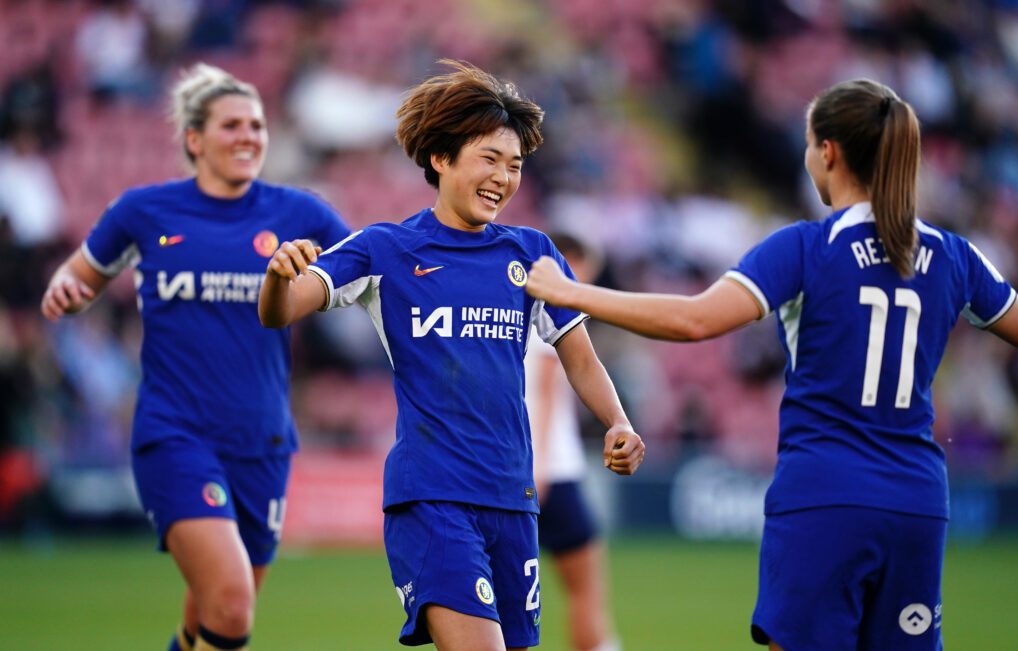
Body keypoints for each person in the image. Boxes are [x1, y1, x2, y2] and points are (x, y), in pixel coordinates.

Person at [525, 79, 1018, 651]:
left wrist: (573, 292)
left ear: (829, 151)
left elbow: (694, 320)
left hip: (825, 491)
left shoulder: (808, 247)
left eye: (811, 143)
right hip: (918, 500)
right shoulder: (953, 254)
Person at [258, 60, 645, 651]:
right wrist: (278, 277)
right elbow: (281, 311)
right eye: (489, 158)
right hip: (432, 496)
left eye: (515, 166)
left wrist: (618, 421)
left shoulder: (532, 254)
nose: (504, 177)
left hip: (512, 500)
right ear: (441, 159)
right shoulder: (383, 249)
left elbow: (581, 359)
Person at [40, 63, 350, 651]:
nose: (249, 136)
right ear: (194, 139)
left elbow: (372, 271)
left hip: (263, 441)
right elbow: (79, 275)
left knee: (210, 617)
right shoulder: (144, 212)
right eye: (232, 125)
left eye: (257, 125)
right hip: (175, 435)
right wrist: (68, 290)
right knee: (232, 606)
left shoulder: (299, 213)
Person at [524, 232, 619, 651]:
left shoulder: (515, 309)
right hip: (552, 471)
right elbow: (546, 396)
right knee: (585, 590)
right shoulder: (556, 313)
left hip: (515, 467)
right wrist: (540, 468)